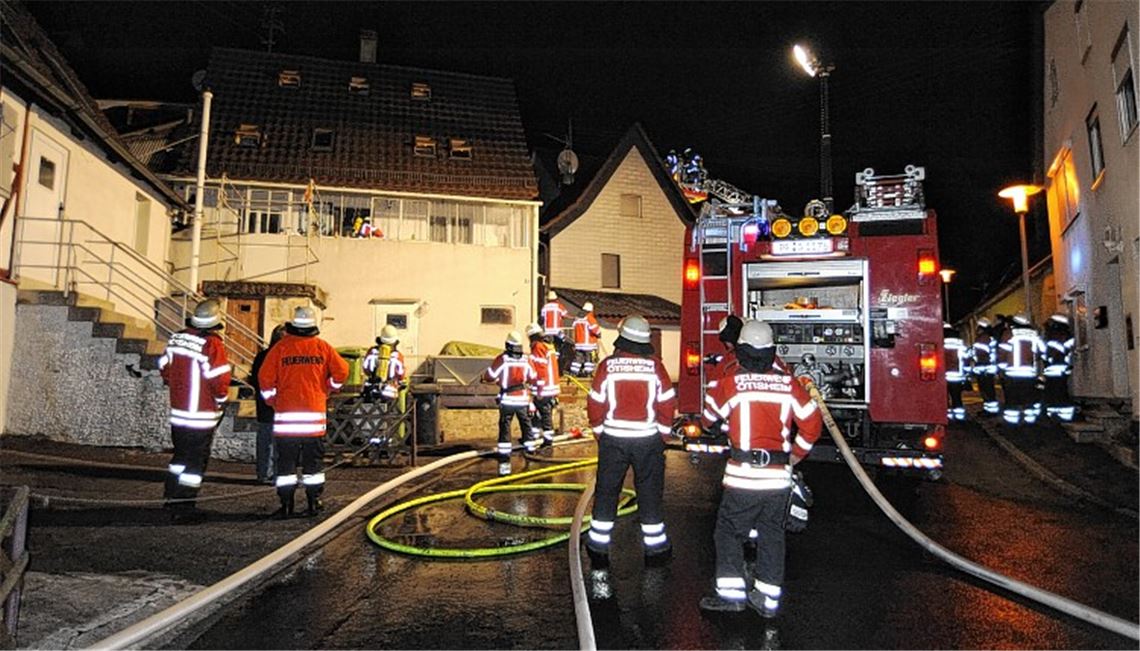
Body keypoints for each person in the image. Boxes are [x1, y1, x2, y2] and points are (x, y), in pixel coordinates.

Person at [697, 319, 822, 618]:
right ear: (770, 352)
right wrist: (794, 457)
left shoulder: (730, 385)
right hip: (778, 479)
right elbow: (813, 426)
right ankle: (767, 600)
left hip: (743, 477)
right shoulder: (789, 384)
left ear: (741, 349)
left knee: (729, 532)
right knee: (772, 535)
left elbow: (707, 420)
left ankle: (732, 597)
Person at [586, 315, 677, 562]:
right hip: (648, 440)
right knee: (649, 492)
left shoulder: (607, 366)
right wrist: (664, 434)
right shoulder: (656, 366)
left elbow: (595, 402)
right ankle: (655, 547)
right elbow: (667, 402)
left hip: (613, 439)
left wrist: (598, 431)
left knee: (606, 491)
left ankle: (598, 547)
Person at [258, 305, 349, 517]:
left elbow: (265, 378)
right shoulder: (322, 347)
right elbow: (342, 371)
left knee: (286, 464)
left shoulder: (280, 348)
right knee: (313, 464)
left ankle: (286, 504)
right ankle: (313, 502)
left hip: (286, 421)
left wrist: (273, 400)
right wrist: (329, 389)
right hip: (314, 422)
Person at [158, 298, 232, 518]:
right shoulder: (212, 344)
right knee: (195, 462)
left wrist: (176, 384)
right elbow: (219, 380)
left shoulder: (176, 338)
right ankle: (185, 506)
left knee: (180, 457)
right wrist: (222, 399)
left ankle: (171, 496)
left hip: (179, 413)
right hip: (201, 416)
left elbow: (163, 367)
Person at [484, 331, 537, 475]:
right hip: (522, 399)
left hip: (507, 399)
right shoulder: (526, 360)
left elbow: (490, 376)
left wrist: (489, 376)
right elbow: (533, 377)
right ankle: (531, 450)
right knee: (526, 425)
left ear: (508, 344)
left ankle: (505, 456)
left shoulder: (502, 359)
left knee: (505, 427)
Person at [249, 324, 286, 484]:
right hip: (271, 406)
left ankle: (267, 473)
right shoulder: (273, 357)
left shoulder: (262, 356)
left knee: (270, 442)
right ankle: (268, 474)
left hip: (267, 405)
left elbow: (254, 380)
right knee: (270, 442)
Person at [997, 313, 1043, 426]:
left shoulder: (1008, 334)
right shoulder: (1033, 334)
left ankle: (1013, 424)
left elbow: (1002, 354)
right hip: (1029, 374)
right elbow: (1040, 352)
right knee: (1028, 399)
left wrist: (1001, 371)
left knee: (1012, 401)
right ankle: (1030, 423)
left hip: (1012, 374)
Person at [527, 322, 561, 450]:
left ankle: (545, 441)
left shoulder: (538, 347)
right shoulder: (549, 346)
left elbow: (541, 369)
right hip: (551, 386)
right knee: (543, 414)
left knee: (541, 415)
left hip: (544, 388)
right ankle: (539, 438)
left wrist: (539, 389)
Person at [362, 324, 407, 407]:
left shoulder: (371, 352)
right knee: (389, 417)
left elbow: (365, 369)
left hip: (371, 391)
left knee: (371, 416)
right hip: (389, 394)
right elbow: (401, 375)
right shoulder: (397, 356)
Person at [1042, 314, 1076, 422]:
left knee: (1056, 393)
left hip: (1055, 370)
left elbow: (1047, 354)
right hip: (1059, 370)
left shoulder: (1053, 337)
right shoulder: (1065, 337)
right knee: (1058, 392)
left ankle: (1057, 416)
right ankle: (1058, 416)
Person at [970, 318, 1000, 416]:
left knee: (987, 391)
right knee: (987, 391)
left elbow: (981, 353)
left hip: (984, 368)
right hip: (986, 368)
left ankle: (991, 411)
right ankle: (989, 409)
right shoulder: (989, 338)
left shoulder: (984, 338)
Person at [943, 322, 969, 422]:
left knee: (945, 398)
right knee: (957, 397)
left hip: (944, 376)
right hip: (958, 375)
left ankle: (948, 417)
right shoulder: (960, 343)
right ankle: (959, 417)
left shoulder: (941, 343)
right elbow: (966, 359)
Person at [570, 302, 602, 377]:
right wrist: (599, 334)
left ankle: (573, 373)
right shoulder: (589, 318)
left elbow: (573, 327)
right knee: (589, 360)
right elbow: (595, 330)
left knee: (577, 360)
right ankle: (588, 374)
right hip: (588, 344)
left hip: (578, 344)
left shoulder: (577, 318)